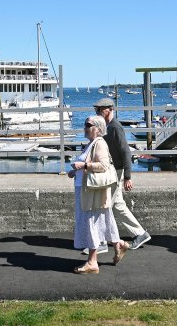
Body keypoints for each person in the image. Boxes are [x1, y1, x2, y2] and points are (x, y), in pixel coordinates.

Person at [68, 115, 129, 274]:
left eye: (88, 125)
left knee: (92, 224)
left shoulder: (100, 143)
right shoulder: (91, 143)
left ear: (97, 128)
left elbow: (103, 165)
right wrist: (75, 171)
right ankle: (119, 245)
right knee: (103, 220)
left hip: (92, 192)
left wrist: (84, 165)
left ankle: (92, 262)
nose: (85, 127)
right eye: (85, 124)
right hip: (88, 190)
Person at [93, 98, 151, 251]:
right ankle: (140, 234)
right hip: (112, 170)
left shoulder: (115, 127)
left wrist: (128, 176)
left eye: (100, 110)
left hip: (116, 171)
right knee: (117, 205)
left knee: (106, 205)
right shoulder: (107, 126)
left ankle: (101, 242)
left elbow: (126, 151)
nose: (97, 113)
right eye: (96, 110)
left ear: (110, 109)